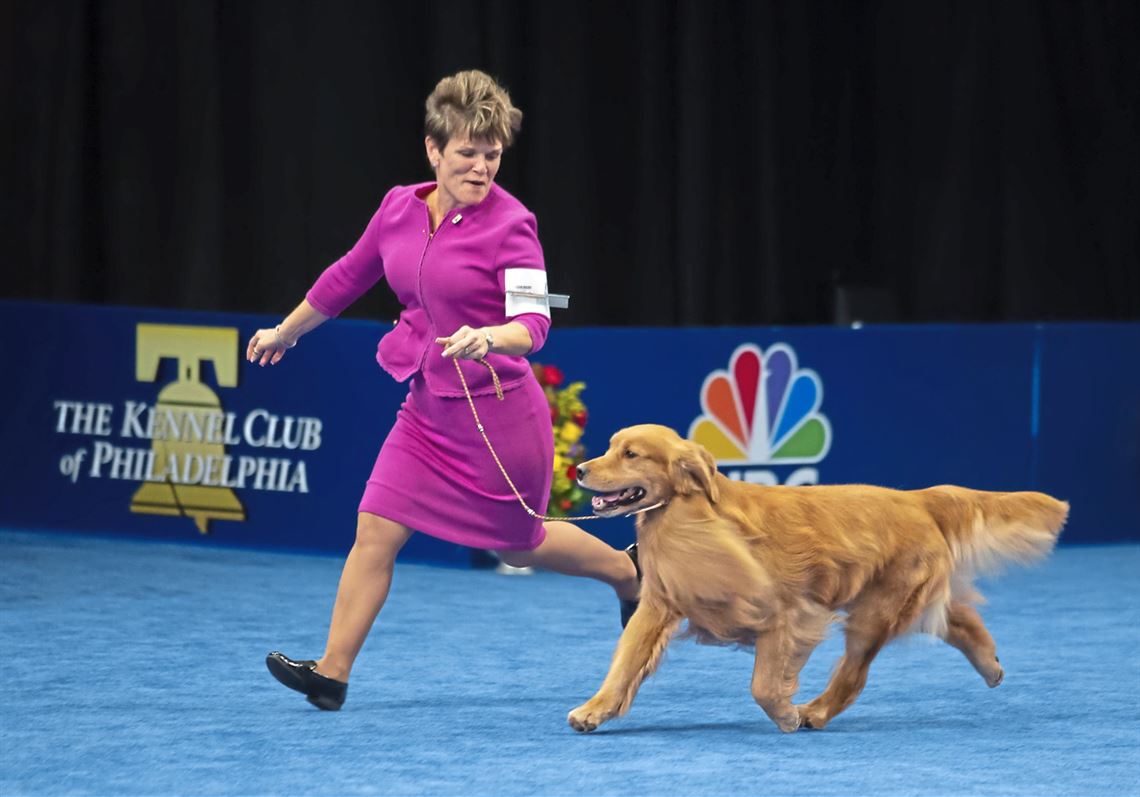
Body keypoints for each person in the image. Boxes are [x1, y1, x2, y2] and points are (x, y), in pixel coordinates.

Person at [247, 70, 641, 712]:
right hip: (427, 408)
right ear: (434, 150)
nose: (481, 167)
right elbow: (348, 276)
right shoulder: (399, 207)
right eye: (467, 153)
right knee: (375, 526)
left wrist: (491, 336)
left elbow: (536, 322)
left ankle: (628, 573)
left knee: (518, 542)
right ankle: (332, 672)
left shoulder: (515, 226)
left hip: (500, 416)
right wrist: (286, 332)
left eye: (492, 155)